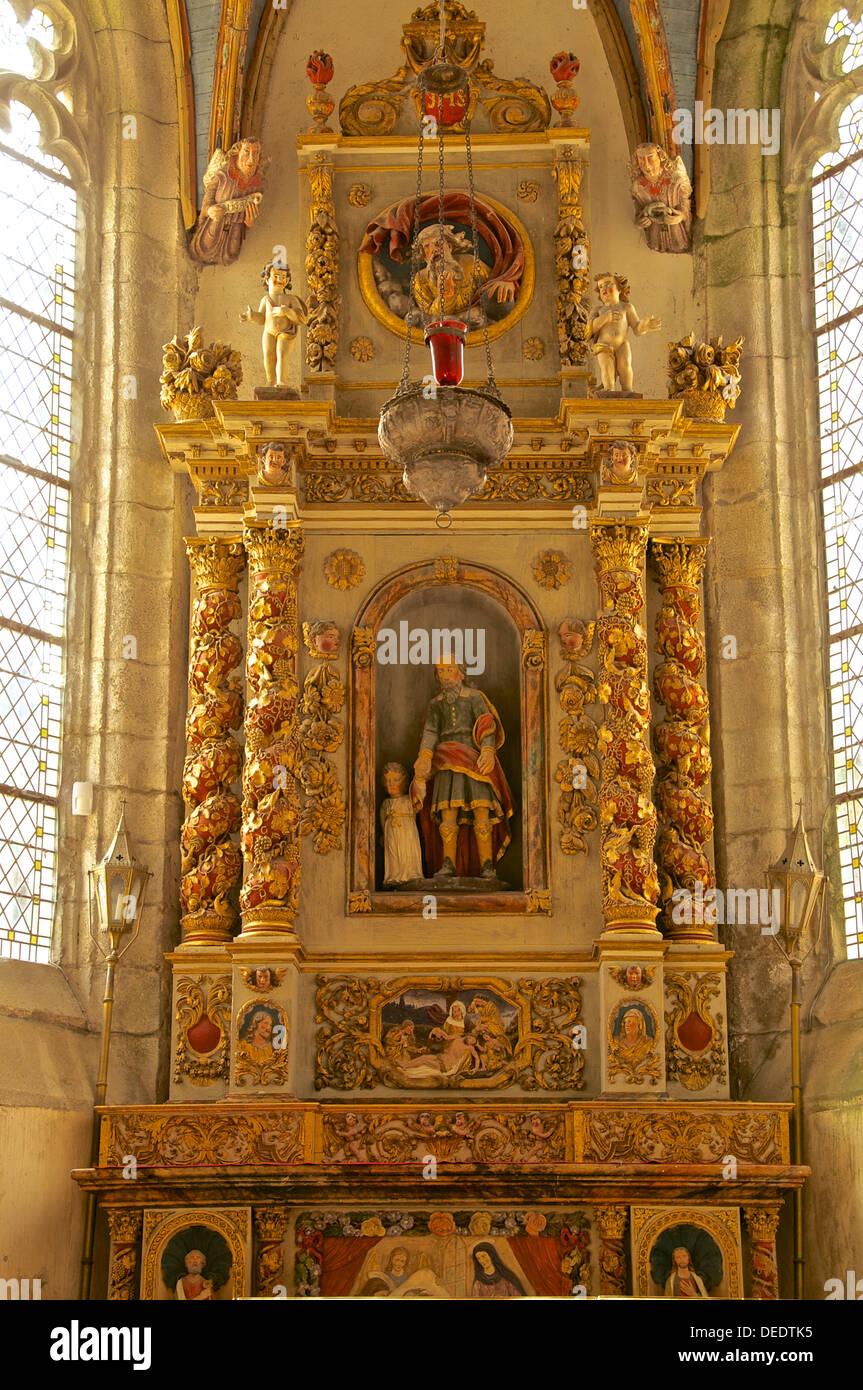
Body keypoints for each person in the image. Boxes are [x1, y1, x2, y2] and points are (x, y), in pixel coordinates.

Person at [412, 661, 514, 880]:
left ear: (460, 673)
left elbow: (487, 724)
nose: (446, 675)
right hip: (445, 760)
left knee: (482, 811)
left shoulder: (475, 697)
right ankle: (448, 864)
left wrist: (487, 750)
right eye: (441, 671)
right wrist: (425, 755)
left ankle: (487, 866)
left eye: (449, 669)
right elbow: (430, 732)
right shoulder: (436, 704)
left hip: (473, 759)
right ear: (437, 676)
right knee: (448, 813)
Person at [189, 138, 265, 266]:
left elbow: (248, 218)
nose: (251, 159)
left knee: (230, 255)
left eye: (256, 153)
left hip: (233, 234)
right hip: (213, 226)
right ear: (237, 153)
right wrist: (210, 211)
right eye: (246, 152)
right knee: (205, 248)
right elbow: (207, 203)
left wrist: (249, 221)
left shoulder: (258, 185)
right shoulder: (222, 177)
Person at [586, 272, 661, 393]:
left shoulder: (627, 308)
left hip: (622, 344)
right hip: (603, 345)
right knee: (607, 368)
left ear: (619, 289)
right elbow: (589, 330)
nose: (603, 289)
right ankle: (608, 389)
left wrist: (644, 326)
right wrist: (605, 318)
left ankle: (628, 391)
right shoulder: (598, 310)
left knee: (625, 366)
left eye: (607, 285)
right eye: (600, 287)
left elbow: (637, 329)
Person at [241, 261, 308, 387]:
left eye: (283, 277)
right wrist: (252, 316)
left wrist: (286, 311)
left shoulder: (290, 299)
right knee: (268, 355)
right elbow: (262, 318)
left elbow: (301, 317)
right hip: (269, 332)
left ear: (287, 281)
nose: (279, 280)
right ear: (267, 279)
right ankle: (270, 380)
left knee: (282, 355)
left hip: (286, 332)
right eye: (276, 276)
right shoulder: (265, 300)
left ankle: (281, 381)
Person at [630, 142, 692, 254]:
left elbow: (685, 201)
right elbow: (638, 211)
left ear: (660, 157)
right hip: (655, 238)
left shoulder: (675, 177)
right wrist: (640, 222)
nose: (646, 165)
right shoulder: (637, 187)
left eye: (650, 158)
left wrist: (681, 216)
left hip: (677, 234)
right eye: (641, 159)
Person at [379, 762, 423, 885]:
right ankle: (394, 876)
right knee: (393, 853)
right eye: (388, 781)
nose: (391, 784)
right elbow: (382, 816)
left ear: (404, 782)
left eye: (396, 780)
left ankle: (411, 874)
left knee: (407, 851)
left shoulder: (408, 800)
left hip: (407, 831)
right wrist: (383, 832)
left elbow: (418, 806)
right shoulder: (386, 803)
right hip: (391, 832)